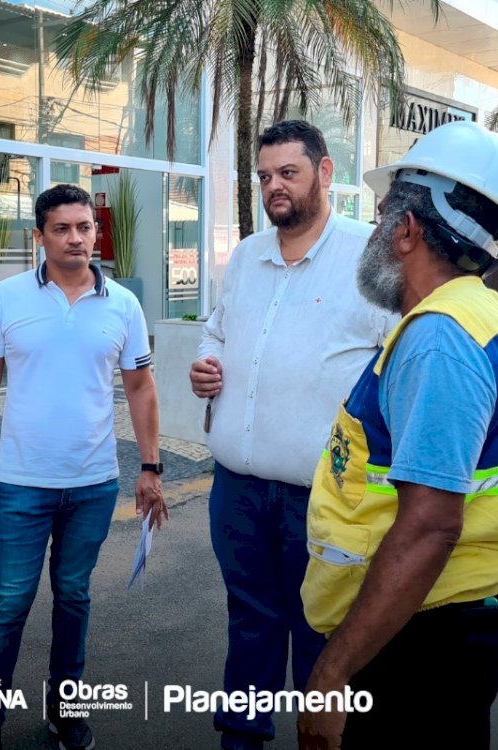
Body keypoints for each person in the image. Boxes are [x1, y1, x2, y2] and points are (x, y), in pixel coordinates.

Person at [189, 120, 397, 750]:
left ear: (324, 173)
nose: (274, 187)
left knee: (321, 633)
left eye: (289, 173)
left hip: (325, 500)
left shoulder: (371, 257)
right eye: (264, 177)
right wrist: (205, 361)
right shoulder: (248, 256)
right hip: (239, 493)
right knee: (249, 623)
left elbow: (396, 363)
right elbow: (217, 330)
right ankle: (241, 737)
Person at [299, 121, 498, 750]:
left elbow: (431, 524)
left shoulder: (440, 337)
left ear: (408, 231)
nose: (374, 231)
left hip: (420, 634)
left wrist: (334, 674)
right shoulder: (475, 315)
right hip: (440, 622)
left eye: (383, 215)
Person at [0, 183, 168, 750]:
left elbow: (142, 388)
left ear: (96, 233)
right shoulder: (6, 296)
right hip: (21, 483)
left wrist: (151, 468)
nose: (76, 239)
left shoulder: (123, 304)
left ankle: (64, 709)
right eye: (62, 229)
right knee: (8, 604)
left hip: (95, 484)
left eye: (85, 228)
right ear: (40, 236)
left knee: (74, 598)